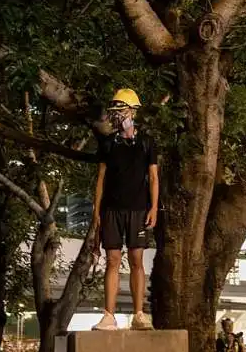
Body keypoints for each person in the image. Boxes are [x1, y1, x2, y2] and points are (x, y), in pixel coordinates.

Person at [91, 89, 160, 331]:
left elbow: (153, 177)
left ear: (132, 112)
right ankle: (108, 315)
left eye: (121, 111)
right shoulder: (108, 143)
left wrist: (154, 208)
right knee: (112, 260)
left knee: (136, 260)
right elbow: (101, 178)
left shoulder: (147, 141)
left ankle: (139, 314)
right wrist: (96, 213)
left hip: (139, 209)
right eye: (115, 112)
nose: (117, 116)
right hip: (111, 209)